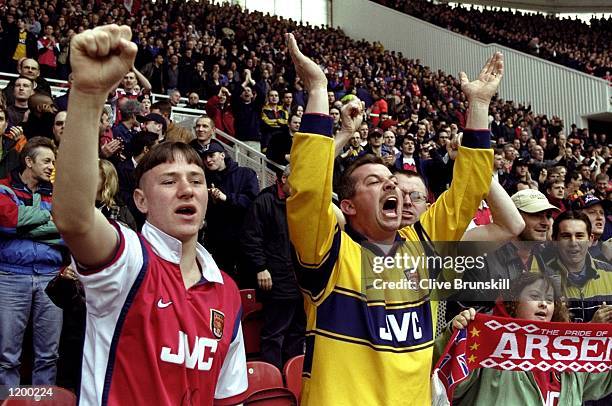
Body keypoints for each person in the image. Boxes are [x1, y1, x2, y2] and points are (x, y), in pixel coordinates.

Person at [285, 33, 502, 405]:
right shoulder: (327, 253)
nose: (391, 187)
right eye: (374, 182)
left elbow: (468, 190)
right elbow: (307, 189)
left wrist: (479, 105)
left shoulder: (423, 244)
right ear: (348, 206)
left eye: (391, 181)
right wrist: (318, 91)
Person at [52, 25, 247, 405]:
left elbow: (229, 399)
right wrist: (89, 96)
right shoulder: (129, 259)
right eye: (169, 181)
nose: (188, 189)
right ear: (140, 200)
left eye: (195, 180)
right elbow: (74, 217)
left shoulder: (227, 291)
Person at [437, 273, 612, 405]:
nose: (543, 304)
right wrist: (454, 332)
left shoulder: (568, 352)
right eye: (535, 297)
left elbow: (602, 379)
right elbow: (448, 381)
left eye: (550, 299)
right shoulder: (489, 341)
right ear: (513, 303)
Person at [0, 136, 66, 386]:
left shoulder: (61, 194)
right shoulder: (4, 188)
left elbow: (69, 231)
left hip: (52, 277)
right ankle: (7, 401)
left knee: (49, 355)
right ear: (28, 161)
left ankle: (41, 403)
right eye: (47, 161)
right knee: (7, 354)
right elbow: (8, 223)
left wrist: (26, 227)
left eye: (54, 161)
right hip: (10, 276)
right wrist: (51, 222)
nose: (52, 166)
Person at [241, 166, 306, 369]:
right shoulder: (264, 201)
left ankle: (293, 376)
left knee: (297, 332)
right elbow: (250, 238)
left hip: (299, 280)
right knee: (274, 333)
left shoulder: (300, 203)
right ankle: (274, 378)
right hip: (276, 278)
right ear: (284, 179)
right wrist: (260, 267)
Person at [202, 141, 259, 282]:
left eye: (211, 155)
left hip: (242, 241)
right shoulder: (205, 178)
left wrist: (226, 198)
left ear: (222, 155)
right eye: (205, 157)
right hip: (218, 243)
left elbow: (252, 202)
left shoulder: (245, 174)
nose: (208, 160)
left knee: (246, 284)